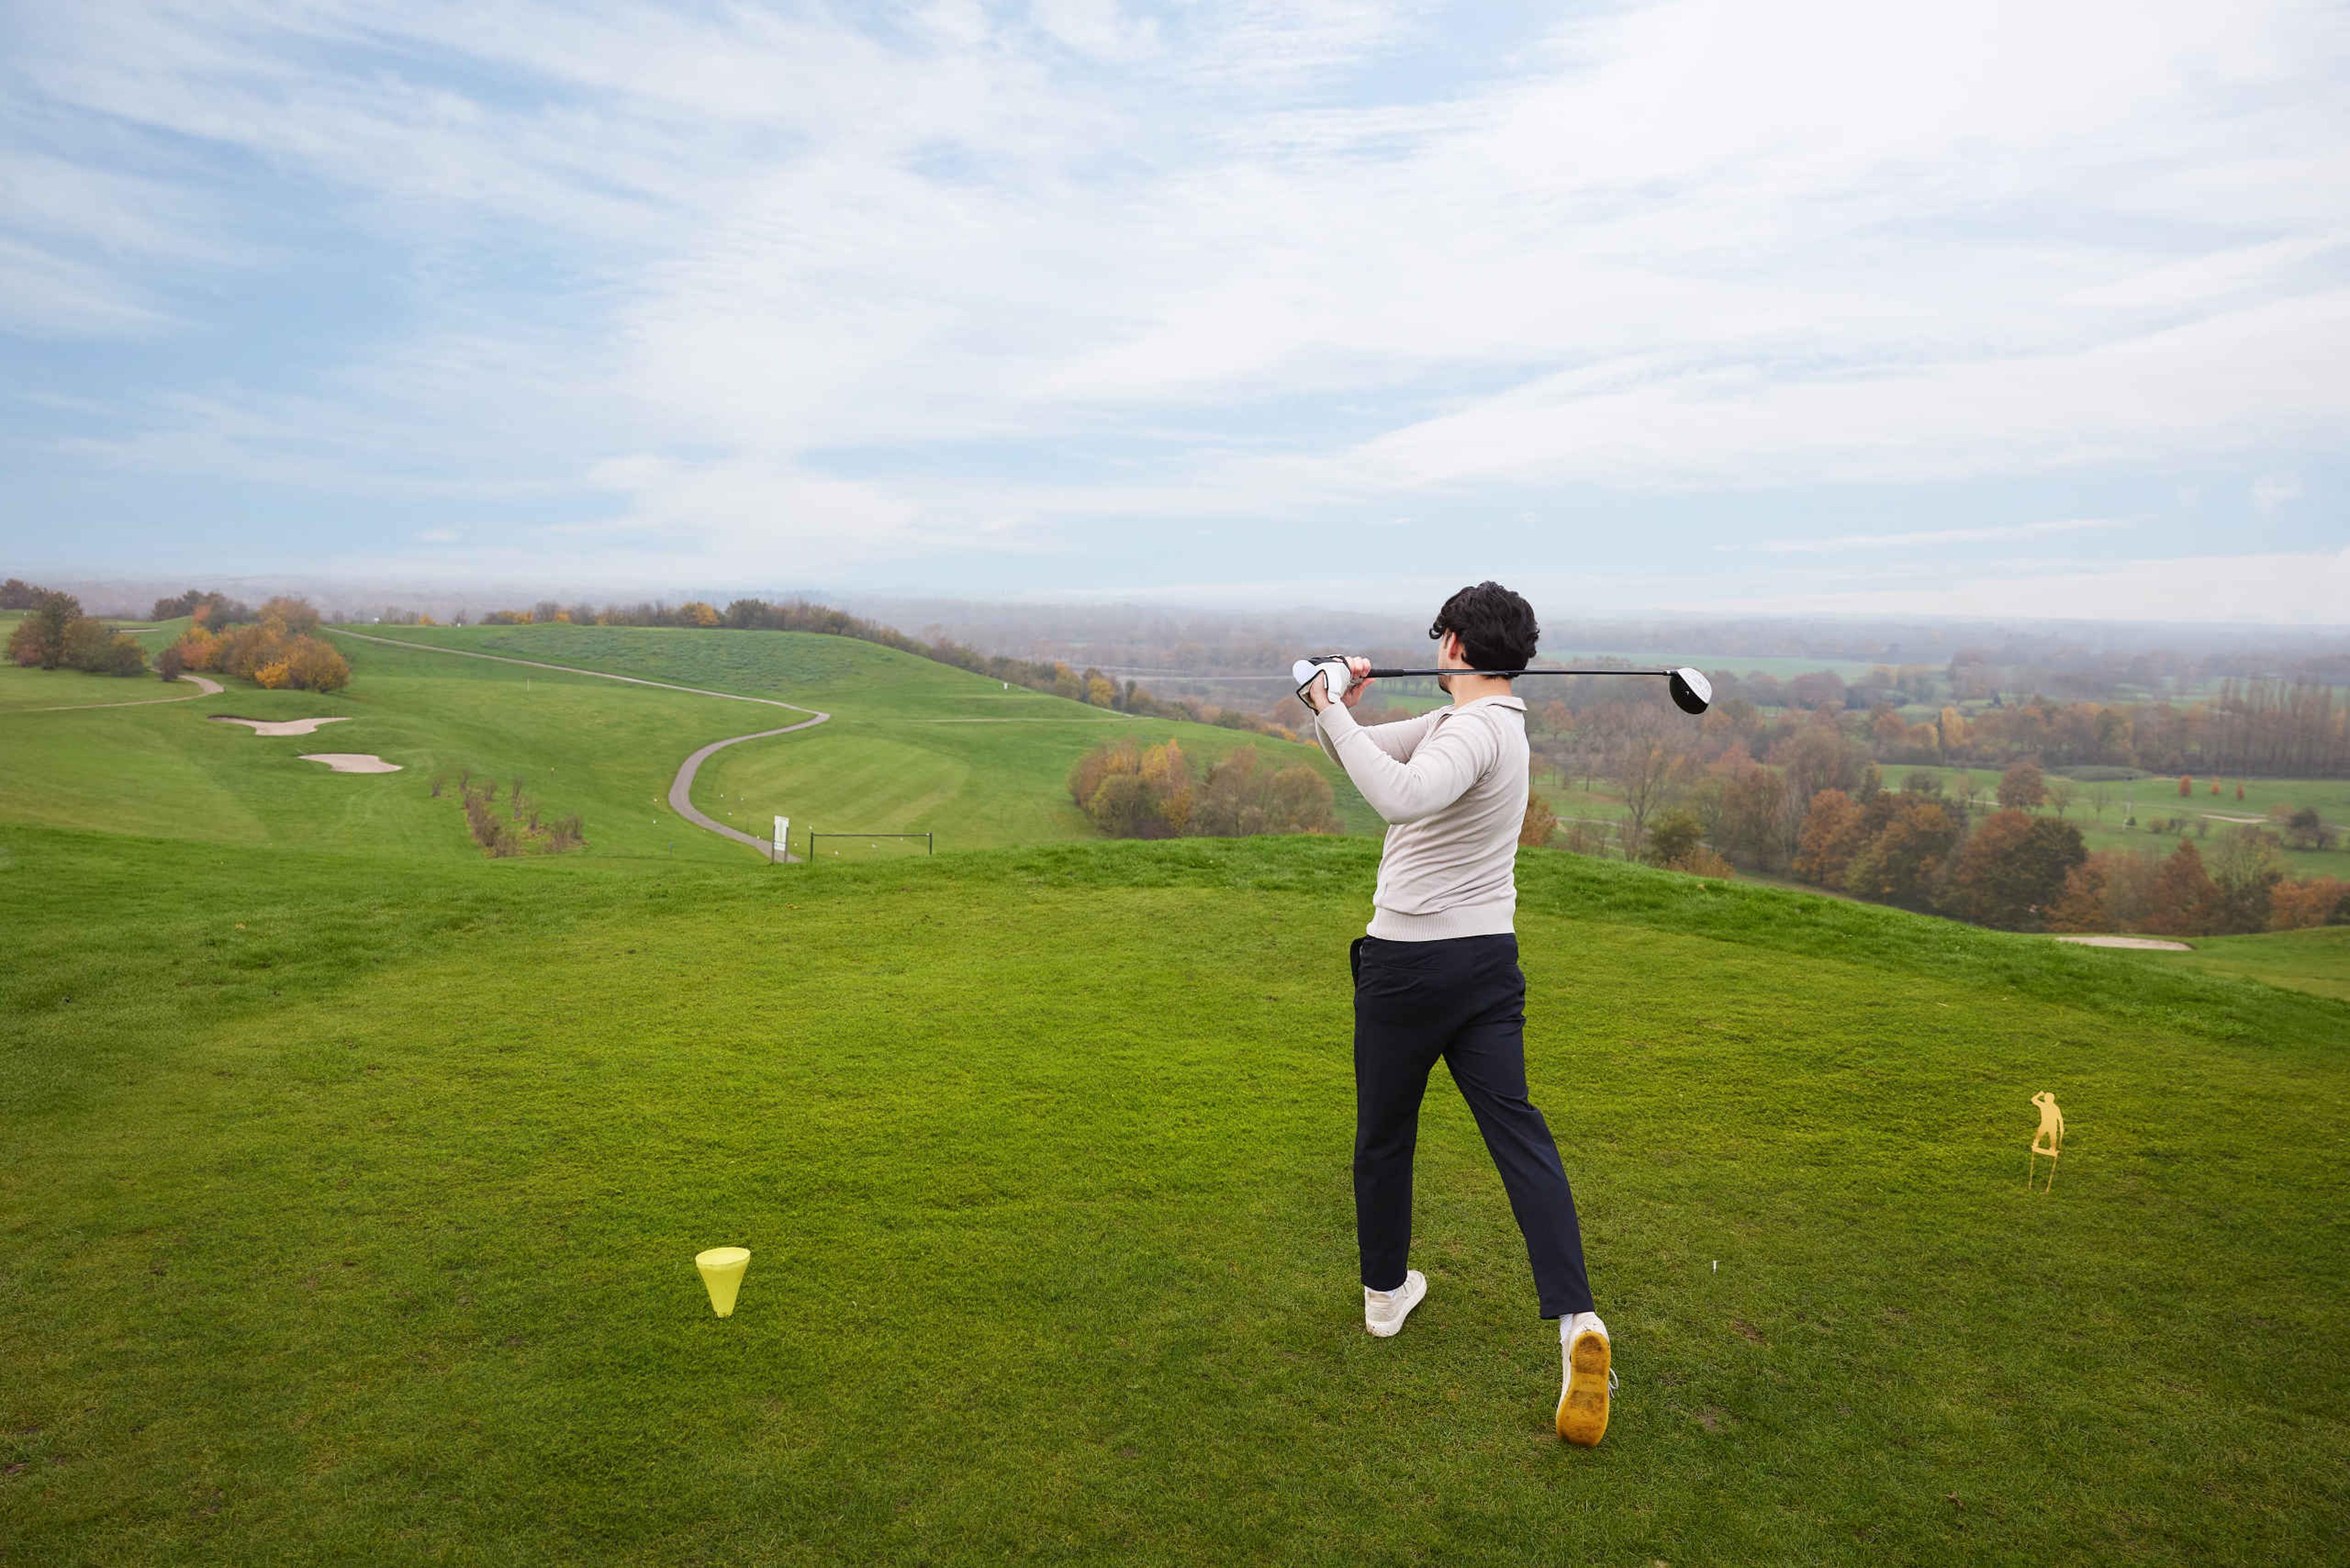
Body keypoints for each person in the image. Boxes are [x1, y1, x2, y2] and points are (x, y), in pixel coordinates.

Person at [1302, 581, 1614, 1447]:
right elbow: (1364, 754)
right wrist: (1337, 710)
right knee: (1518, 1133)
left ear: (1452, 648)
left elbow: (1397, 798)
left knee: (1386, 1133)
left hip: (1408, 967)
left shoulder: (1470, 730)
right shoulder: (1490, 726)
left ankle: (1383, 1296)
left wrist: (1323, 700)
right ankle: (1576, 1321)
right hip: (1487, 968)